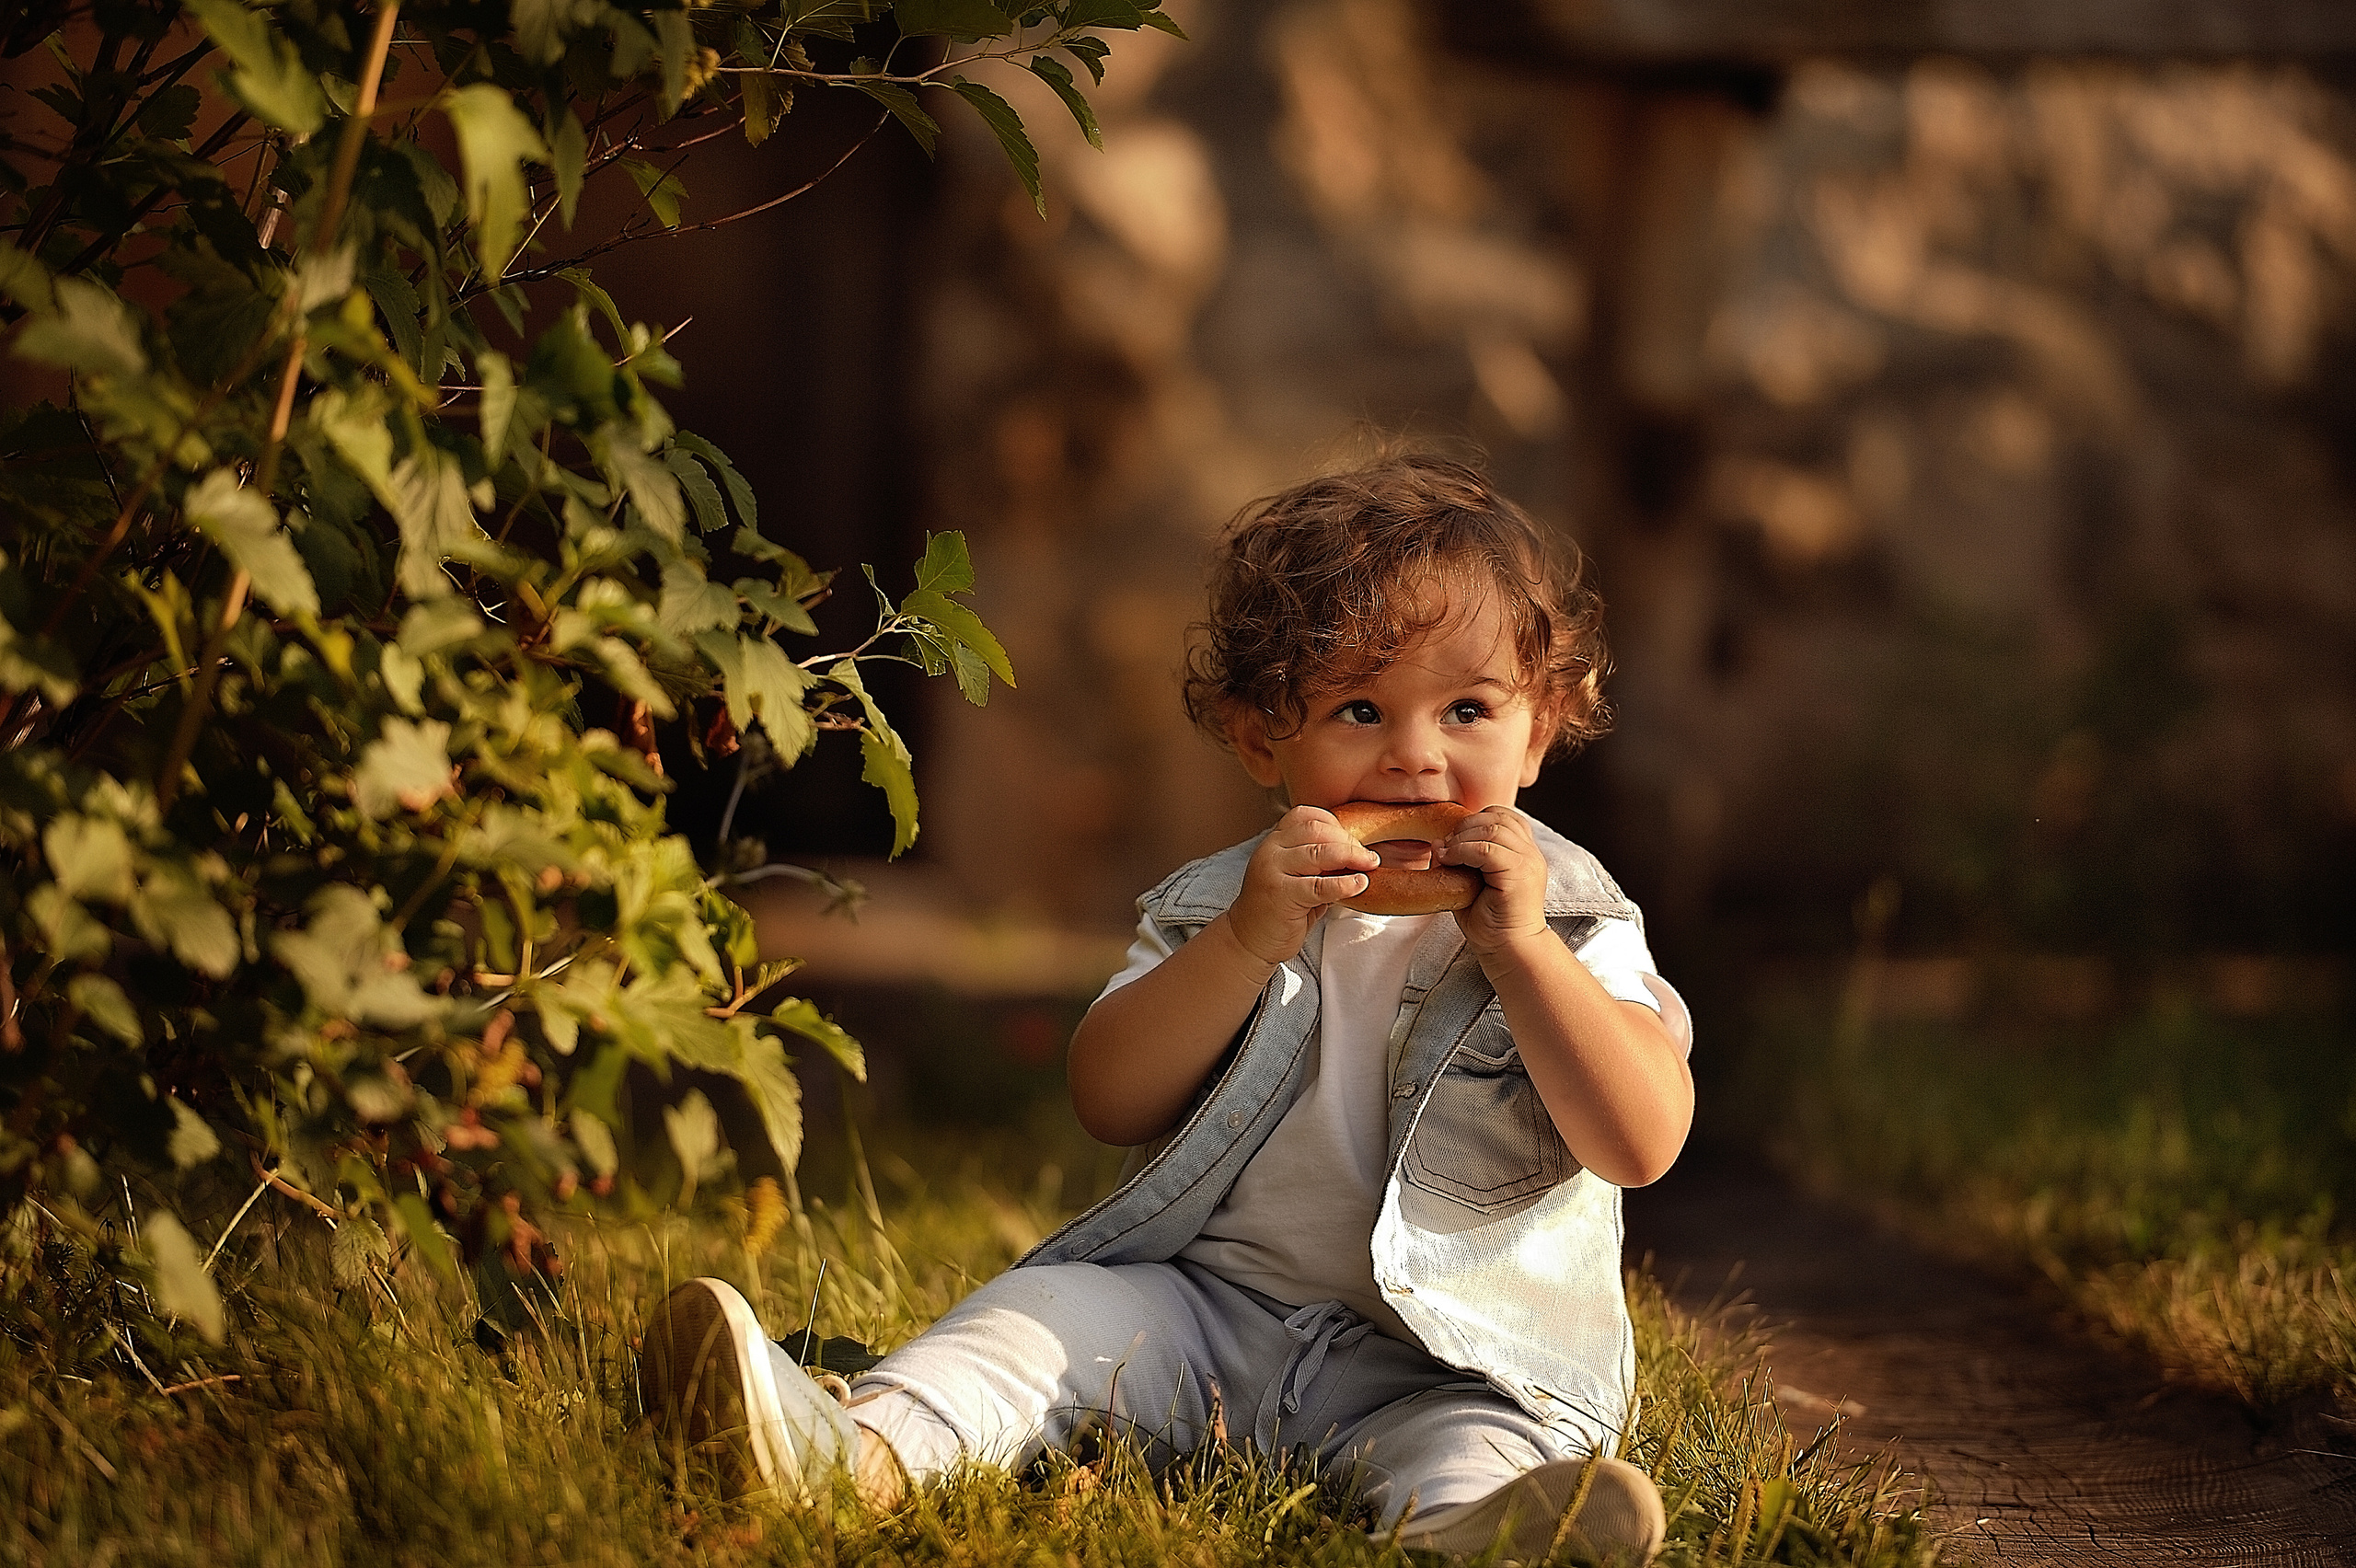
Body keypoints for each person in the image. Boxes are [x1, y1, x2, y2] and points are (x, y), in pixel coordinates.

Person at [641, 455, 1694, 1562]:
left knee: (1480, 1448)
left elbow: (1639, 1140)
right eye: (1360, 708)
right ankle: (846, 1453)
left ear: (1539, 732)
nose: (1416, 756)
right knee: (1037, 1319)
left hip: (1451, 1365)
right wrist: (1244, 941)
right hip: (1208, 1321)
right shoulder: (1223, 904)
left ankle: (1484, 1533)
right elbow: (1110, 1096)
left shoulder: (1571, 923)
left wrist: (1522, 951)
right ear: (1260, 740)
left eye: (1468, 709)